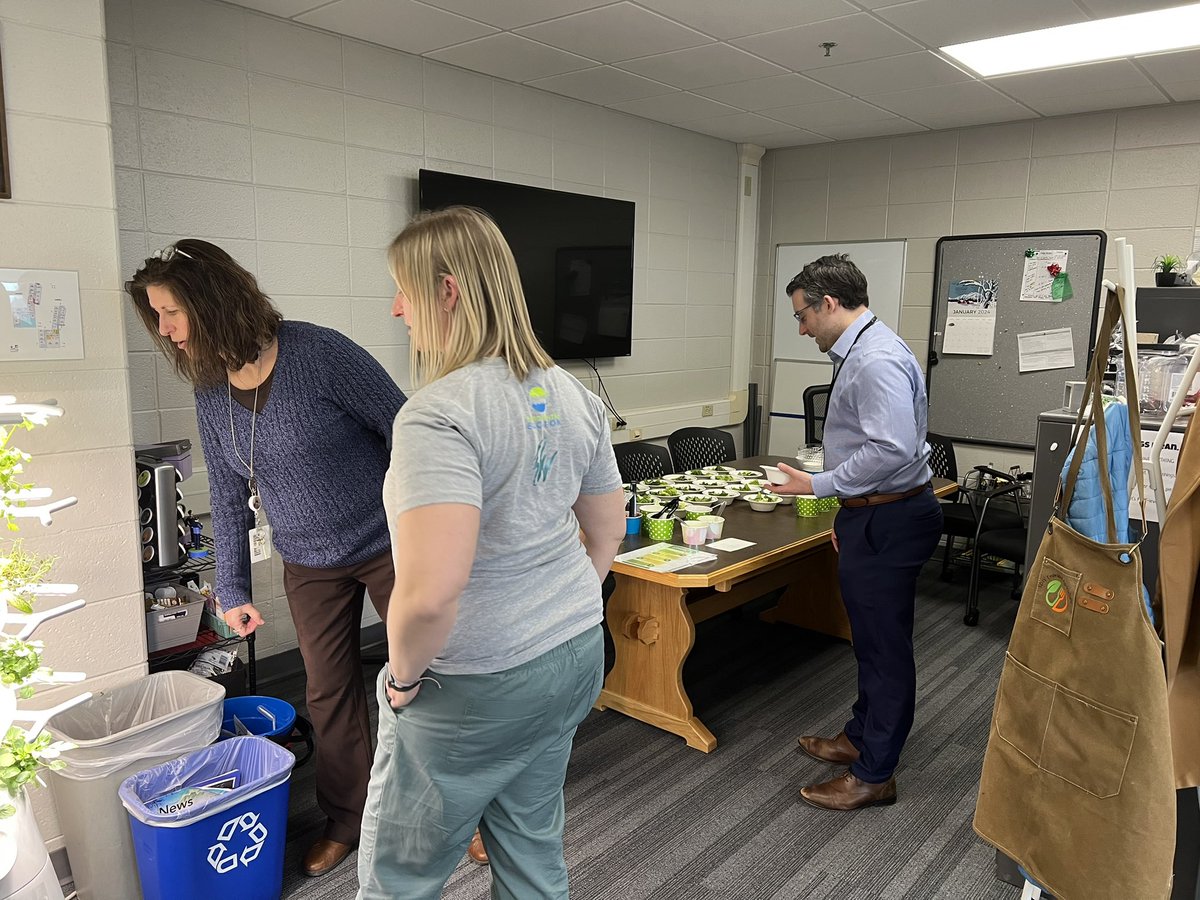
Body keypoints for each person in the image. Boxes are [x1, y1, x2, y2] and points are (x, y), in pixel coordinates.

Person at [356, 206, 626, 900]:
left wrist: (402, 682)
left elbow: (431, 594)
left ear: (447, 292)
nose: (396, 310)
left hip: (474, 681)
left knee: (398, 877)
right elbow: (608, 530)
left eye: (404, 290)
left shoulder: (437, 412)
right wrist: (564, 605)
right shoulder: (572, 391)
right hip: (571, 654)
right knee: (530, 844)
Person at [126, 240, 407, 877]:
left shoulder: (321, 353)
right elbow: (227, 495)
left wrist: (427, 523)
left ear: (214, 300)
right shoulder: (210, 392)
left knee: (431, 680)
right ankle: (349, 817)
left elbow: (407, 427)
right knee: (329, 691)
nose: (165, 331)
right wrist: (231, 586)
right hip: (309, 561)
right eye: (157, 316)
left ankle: (466, 810)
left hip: (391, 544)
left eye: (172, 312)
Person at [771, 253, 943, 811]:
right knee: (869, 642)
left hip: (889, 516)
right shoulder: (867, 349)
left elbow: (890, 448)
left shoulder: (873, 360)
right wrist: (851, 509)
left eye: (803, 316)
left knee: (884, 648)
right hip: (874, 513)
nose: (801, 329)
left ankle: (875, 774)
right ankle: (860, 737)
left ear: (829, 303)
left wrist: (822, 486)